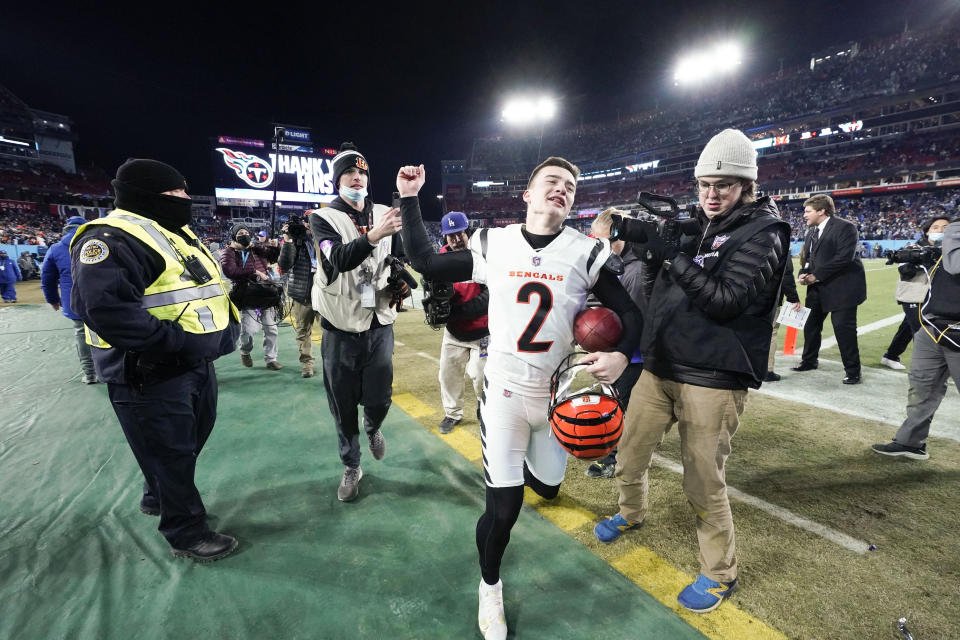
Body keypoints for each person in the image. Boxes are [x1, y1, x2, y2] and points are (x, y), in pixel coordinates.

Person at [396, 158, 641, 640]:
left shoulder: (585, 251)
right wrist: (409, 198)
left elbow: (630, 311)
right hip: (504, 392)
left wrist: (620, 353)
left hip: (554, 396)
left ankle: (521, 472)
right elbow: (424, 262)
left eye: (570, 186)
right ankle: (490, 587)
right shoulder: (493, 242)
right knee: (503, 510)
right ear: (526, 194)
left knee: (547, 487)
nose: (561, 190)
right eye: (551, 181)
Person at [594, 129, 790, 614]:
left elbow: (725, 301)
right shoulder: (697, 222)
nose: (710, 194)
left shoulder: (765, 232)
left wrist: (672, 256)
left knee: (702, 480)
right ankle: (630, 512)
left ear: (746, 184)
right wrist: (650, 252)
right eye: (704, 183)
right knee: (628, 451)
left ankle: (720, 573)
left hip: (715, 376)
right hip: (660, 366)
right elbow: (661, 288)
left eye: (723, 184)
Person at [70, 158, 241, 562]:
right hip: (149, 371)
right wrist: (179, 343)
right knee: (172, 452)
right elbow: (105, 309)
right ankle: (186, 531)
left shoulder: (171, 233)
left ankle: (156, 494)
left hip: (192, 364)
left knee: (190, 438)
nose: (185, 198)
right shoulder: (111, 238)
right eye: (177, 191)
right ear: (148, 195)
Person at [308, 142, 409, 502]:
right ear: (338, 180)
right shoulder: (322, 218)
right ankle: (352, 464)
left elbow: (397, 255)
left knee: (380, 397)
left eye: (363, 172)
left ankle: (374, 425)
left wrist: (398, 274)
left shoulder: (384, 210)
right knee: (343, 404)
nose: (357, 177)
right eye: (350, 173)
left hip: (380, 321)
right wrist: (373, 236)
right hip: (340, 328)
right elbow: (335, 259)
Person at [873, 219, 960, 460]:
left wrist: (953, 233)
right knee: (922, 386)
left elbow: (955, 265)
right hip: (932, 323)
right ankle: (911, 442)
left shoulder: (955, 233)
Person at [584, 208, 645, 478]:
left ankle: (614, 458)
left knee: (620, 405)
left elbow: (636, 314)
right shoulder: (613, 262)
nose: (603, 248)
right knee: (614, 400)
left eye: (607, 241)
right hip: (617, 350)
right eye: (598, 242)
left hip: (634, 353)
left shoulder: (639, 267)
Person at [792, 194, 867, 384]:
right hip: (818, 288)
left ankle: (853, 371)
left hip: (843, 289)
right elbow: (808, 259)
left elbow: (844, 257)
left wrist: (816, 276)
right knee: (811, 326)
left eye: (808, 211)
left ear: (821, 211)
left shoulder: (845, 227)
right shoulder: (812, 231)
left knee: (843, 329)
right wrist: (803, 272)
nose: (804, 215)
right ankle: (809, 361)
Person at [436, 211, 490, 434]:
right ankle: (452, 413)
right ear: (445, 238)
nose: (456, 239)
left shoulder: (481, 254)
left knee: (480, 376)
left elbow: (491, 293)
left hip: (482, 331)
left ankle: (484, 406)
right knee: (447, 374)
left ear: (467, 232)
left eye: (460, 234)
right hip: (454, 332)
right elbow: (436, 290)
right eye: (451, 236)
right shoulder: (441, 258)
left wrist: (462, 310)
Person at [880, 216, 951, 370]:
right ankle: (927, 368)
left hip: (936, 297)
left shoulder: (951, 249)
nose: (941, 230)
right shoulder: (914, 247)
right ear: (927, 232)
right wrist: (923, 259)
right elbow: (904, 270)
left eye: (945, 227)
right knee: (922, 332)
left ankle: (890, 356)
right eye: (936, 227)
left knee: (907, 327)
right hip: (914, 295)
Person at [40, 215, 98, 383]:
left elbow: (47, 278)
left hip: (75, 302)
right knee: (106, 332)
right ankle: (108, 371)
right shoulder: (100, 242)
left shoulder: (56, 248)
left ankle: (90, 374)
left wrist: (52, 299)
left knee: (81, 334)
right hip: (102, 299)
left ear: (65, 229)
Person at [220, 223, 282, 370]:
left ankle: (271, 359)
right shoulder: (229, 252)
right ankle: (245, 351)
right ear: (234, 236)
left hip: (265, 292)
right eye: (240, 233)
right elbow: (230, 271)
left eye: (246, 232)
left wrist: (275, 247)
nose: (244, 235)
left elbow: (273, 257)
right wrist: (253, 272)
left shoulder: (256, 248)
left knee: (271, 328)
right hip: (246, 294)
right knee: (249, 330)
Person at [278, 213, 318, 378]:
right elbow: (285, 265)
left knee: (332, 331)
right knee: (302, 331)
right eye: (307, 223)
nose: (308, 226)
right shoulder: (294, 240)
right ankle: (307, 364)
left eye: (312, 223)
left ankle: (333, 361)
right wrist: (288, 240)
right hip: (302, 293)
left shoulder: (324, 237)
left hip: (324, 293)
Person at [764, 250, 802, 381]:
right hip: (769, 299)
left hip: (745, 298)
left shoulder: (748, 239)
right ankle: (767, 371)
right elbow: (786, 275)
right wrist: (793, 298)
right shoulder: (780, 245)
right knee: (770, 334)